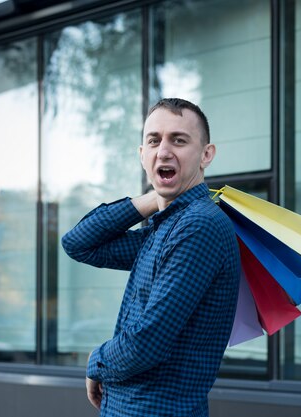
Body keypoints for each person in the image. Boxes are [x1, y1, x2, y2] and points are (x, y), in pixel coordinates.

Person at [61, 98, 240, 416]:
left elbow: (147, 343)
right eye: (154, 141)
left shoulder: (198, 225)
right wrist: (151, 199)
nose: (164, 151)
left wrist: (96, 362)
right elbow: (79, 244)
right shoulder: (166, 229)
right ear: (142, 155)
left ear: (206, 155)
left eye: (179, 140)